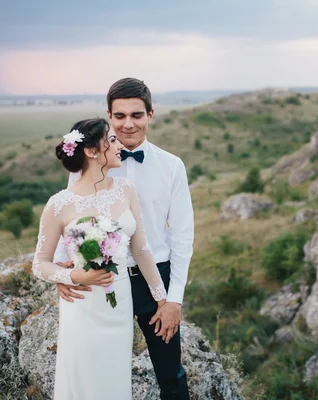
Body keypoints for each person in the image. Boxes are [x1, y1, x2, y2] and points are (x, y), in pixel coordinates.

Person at [54, 78, 194, 400]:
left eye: (136, 115)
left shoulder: (172, 166)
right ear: (109, 116)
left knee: (170, 373)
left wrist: (173, 299)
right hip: (102, 278)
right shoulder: (87, 163)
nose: (128, 124)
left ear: (150, 115)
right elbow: (70, 215)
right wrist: (64, 270)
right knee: (102, 371)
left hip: (155, 277)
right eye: (119, 116)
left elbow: (183, 237)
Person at [32, 117, 168, 399]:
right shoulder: (59, 204)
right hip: (83, 305)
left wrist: (163, 298)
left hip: (119, 304)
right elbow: (40, 263)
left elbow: (141, 250)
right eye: (113, 140)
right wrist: (72, 276)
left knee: (114, 380)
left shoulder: (126, 189)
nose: (120, 143)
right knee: (85, 380)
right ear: (92, 152)